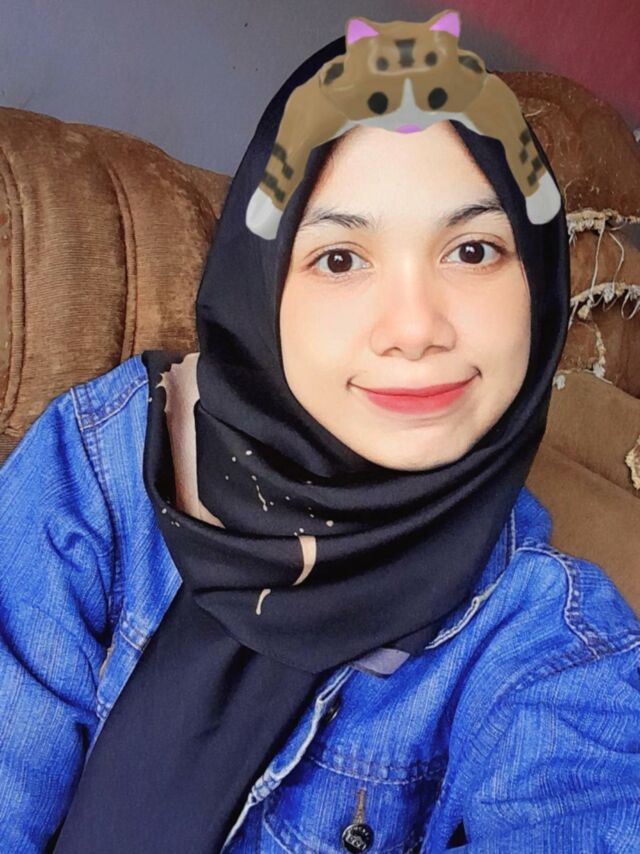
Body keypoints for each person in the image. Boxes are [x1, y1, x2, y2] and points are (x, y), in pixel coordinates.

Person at [1, 18, 639, 854]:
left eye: (474, 250)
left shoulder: (546, 641)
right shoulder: (105, 462)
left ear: (542, 282)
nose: (415, 328)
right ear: (260, 285)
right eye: (341, 259)